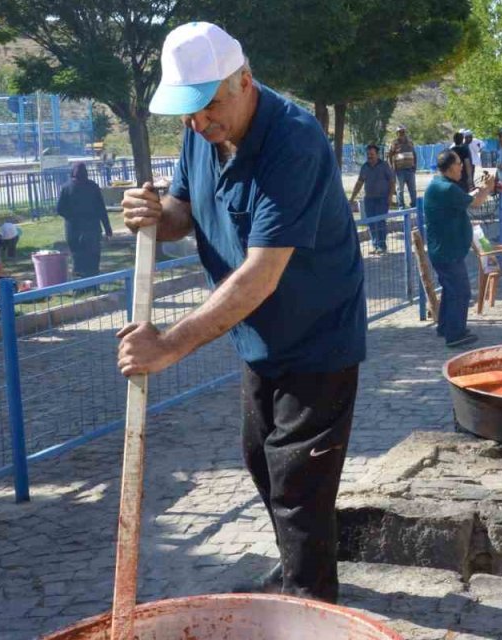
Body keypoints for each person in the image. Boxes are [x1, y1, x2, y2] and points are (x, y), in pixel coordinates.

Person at [117, 22, 366, 603]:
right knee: (260, 459)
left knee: (299, 482)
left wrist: (168, 346)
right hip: (258, 336)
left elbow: (260, 274)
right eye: (187, 115)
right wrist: (153, 214)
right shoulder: (201, 132)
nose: (198, 124)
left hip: (318, 335)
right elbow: (183, 212)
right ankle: (294, 571)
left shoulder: (295, 141)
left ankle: (309, 604)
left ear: (245, 82)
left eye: (206, 108)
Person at [423, 149, 495, 348]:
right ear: (449, 167)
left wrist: (479, 188)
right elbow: (477, 202)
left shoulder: (440, 186)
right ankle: (455, 335)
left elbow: (465, 199)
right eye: (458, 164)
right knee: (461, 292)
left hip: (443, 250)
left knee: (450, 289)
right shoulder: (447, 189)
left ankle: (445, 326)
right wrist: (487, 188)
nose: (462, 167)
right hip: (448, 252)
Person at [56, 162, 114, 278]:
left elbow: (60, 209)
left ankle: (79, 286)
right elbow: (101, 209)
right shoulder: (93, 186)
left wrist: (71, 217)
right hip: (92, 228)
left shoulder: (66, 188)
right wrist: (108, 229)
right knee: (93, 257)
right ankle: (93, 284)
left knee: (77, 257)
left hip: (73, 229)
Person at [348, 144, 396, 254]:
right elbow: (359, 183)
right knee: (371, 223)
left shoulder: (384, 166)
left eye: (372, 154)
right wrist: (352, 198)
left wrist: (390, 196)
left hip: (382, 199)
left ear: (377, 154)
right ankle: (375, 246)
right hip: (369, 199)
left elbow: (392, 181)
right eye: (368, 154)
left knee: (380, 222)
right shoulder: (365, 167)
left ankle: (382, 246)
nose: (370, 156)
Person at [388, 125, 418, 208]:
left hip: (410, 169)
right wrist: (391, 167)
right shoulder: (394, 143)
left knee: (412, 189)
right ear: (397, 133)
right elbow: (390, 155)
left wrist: (415, 165)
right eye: (400, 132)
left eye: (403, 132)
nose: (401, 133)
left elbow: (414, 154)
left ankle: (414, 205)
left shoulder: (410, 142)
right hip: (399, 170)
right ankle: (401, 206)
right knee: (400, 190)